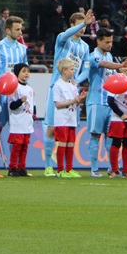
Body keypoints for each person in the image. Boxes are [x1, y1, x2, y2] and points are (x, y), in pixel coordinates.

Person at [42, 11, 93, 176]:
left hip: (72, 89)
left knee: (70, 129)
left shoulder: (85, 47)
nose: (82, 29)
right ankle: (49, 165)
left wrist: (77, 80)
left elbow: (86, 69)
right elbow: (65, 34)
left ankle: (68, 168)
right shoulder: (62, 40)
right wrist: (84, 23)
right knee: (51, 128)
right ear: (73, 25)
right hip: (56, 88)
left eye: (84, 25)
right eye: (79, 25)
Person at [84, 29, 127, 177]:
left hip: (110, 102)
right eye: (107, 42)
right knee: (95, 135)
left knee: (110, 137)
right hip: (96, 101)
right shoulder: (93, 56)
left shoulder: (109, 55)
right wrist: (120, 66)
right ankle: (94, 168)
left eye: (111, 41)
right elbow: (104, 64)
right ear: (98, 41)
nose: (110, 44)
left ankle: (113, 168)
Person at [0, 15, 28, 151]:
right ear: (7, 30)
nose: (20, 33)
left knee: (17, 131)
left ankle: (14, 166)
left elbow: (24, 72)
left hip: (17, 95)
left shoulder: (22, 49)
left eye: (21, 29)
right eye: (17, 29)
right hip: (2, 95)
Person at [53, 59, 86, 178]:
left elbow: (74, 103)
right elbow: (57, 104)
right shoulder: (57, 85)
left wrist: (79, 99)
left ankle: (69, 169)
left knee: (71, 144)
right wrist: (73, 101)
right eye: (71, 69)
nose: (74, 71)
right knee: (62, 143)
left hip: (72, 118)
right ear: (64, 70)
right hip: (62, 119)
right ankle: (60, 170)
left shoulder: (72, 85)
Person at [107, 72, 127, 178]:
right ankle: (114, 170)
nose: (126, 69)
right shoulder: (115, 82)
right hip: (117, 119)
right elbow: (110, 101)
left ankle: (126, 170)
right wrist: (121, 114)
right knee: (116, 142)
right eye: (124, 66)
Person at [7, 63, 34, 177]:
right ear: (17, 73)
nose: (26, 73)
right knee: (17, 146)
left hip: (27, 121)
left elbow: (33, 104)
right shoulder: (14, 87)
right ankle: (12, 168)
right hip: (17, 121)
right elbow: (11, 105)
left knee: (24, 146)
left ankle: (22, 167)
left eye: (28, 71)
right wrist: (20, 101)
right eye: (23, 71)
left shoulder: (30, 88)